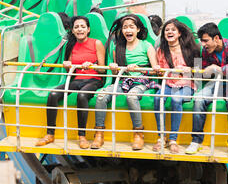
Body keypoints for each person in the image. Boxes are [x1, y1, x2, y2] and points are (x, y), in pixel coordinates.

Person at [35, 16, 106, 149]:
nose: (80, 29)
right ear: (72, 31)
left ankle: (82, 136)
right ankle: (50, 134)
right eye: (76, 27)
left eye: (83, 27)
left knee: (82, 95)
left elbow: (103, 70)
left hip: (94, 79)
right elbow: (71, 72)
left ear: (88, 29)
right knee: (53, 94)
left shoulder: (97, 43)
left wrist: (91, 65)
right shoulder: (72, 45)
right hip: (78, 79)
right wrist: (67, 65)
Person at [91, 14, 159, 151]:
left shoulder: (146, 46)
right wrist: (114, 68)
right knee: (101, 96)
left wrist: (139, 69)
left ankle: (138, 133)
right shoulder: (119, 48)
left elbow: (155, 70)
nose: (128, 30)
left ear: (138, 29)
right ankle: (99, 133)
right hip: (124, 81)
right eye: (125, 27)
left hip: (142, 81)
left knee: (132, 97)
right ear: (122, 31)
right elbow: (117, 75)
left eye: (131, 27)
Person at [185, 23, 228, 158]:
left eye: (206, 40)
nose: (203, 44)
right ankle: (196, 141)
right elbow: (205, 73)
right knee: (199, 99)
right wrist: (192, 70)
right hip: (217, 83)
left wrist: (215, 68)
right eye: (201, 41)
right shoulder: (206, 51)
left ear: (217, 38)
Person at [153, 19, 200, 153]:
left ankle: (173, 139)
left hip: (186, 84)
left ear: (179, 33)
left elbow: (198, 69)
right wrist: (158, 70)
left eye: (173, 30)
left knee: (176, 99)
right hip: (169, 82)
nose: (169, 32)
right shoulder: (162, 50)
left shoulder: (191, 49)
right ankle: (161, 137)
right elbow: (161, 72)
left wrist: (189, 70)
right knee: (158, 98)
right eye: (167, 30)